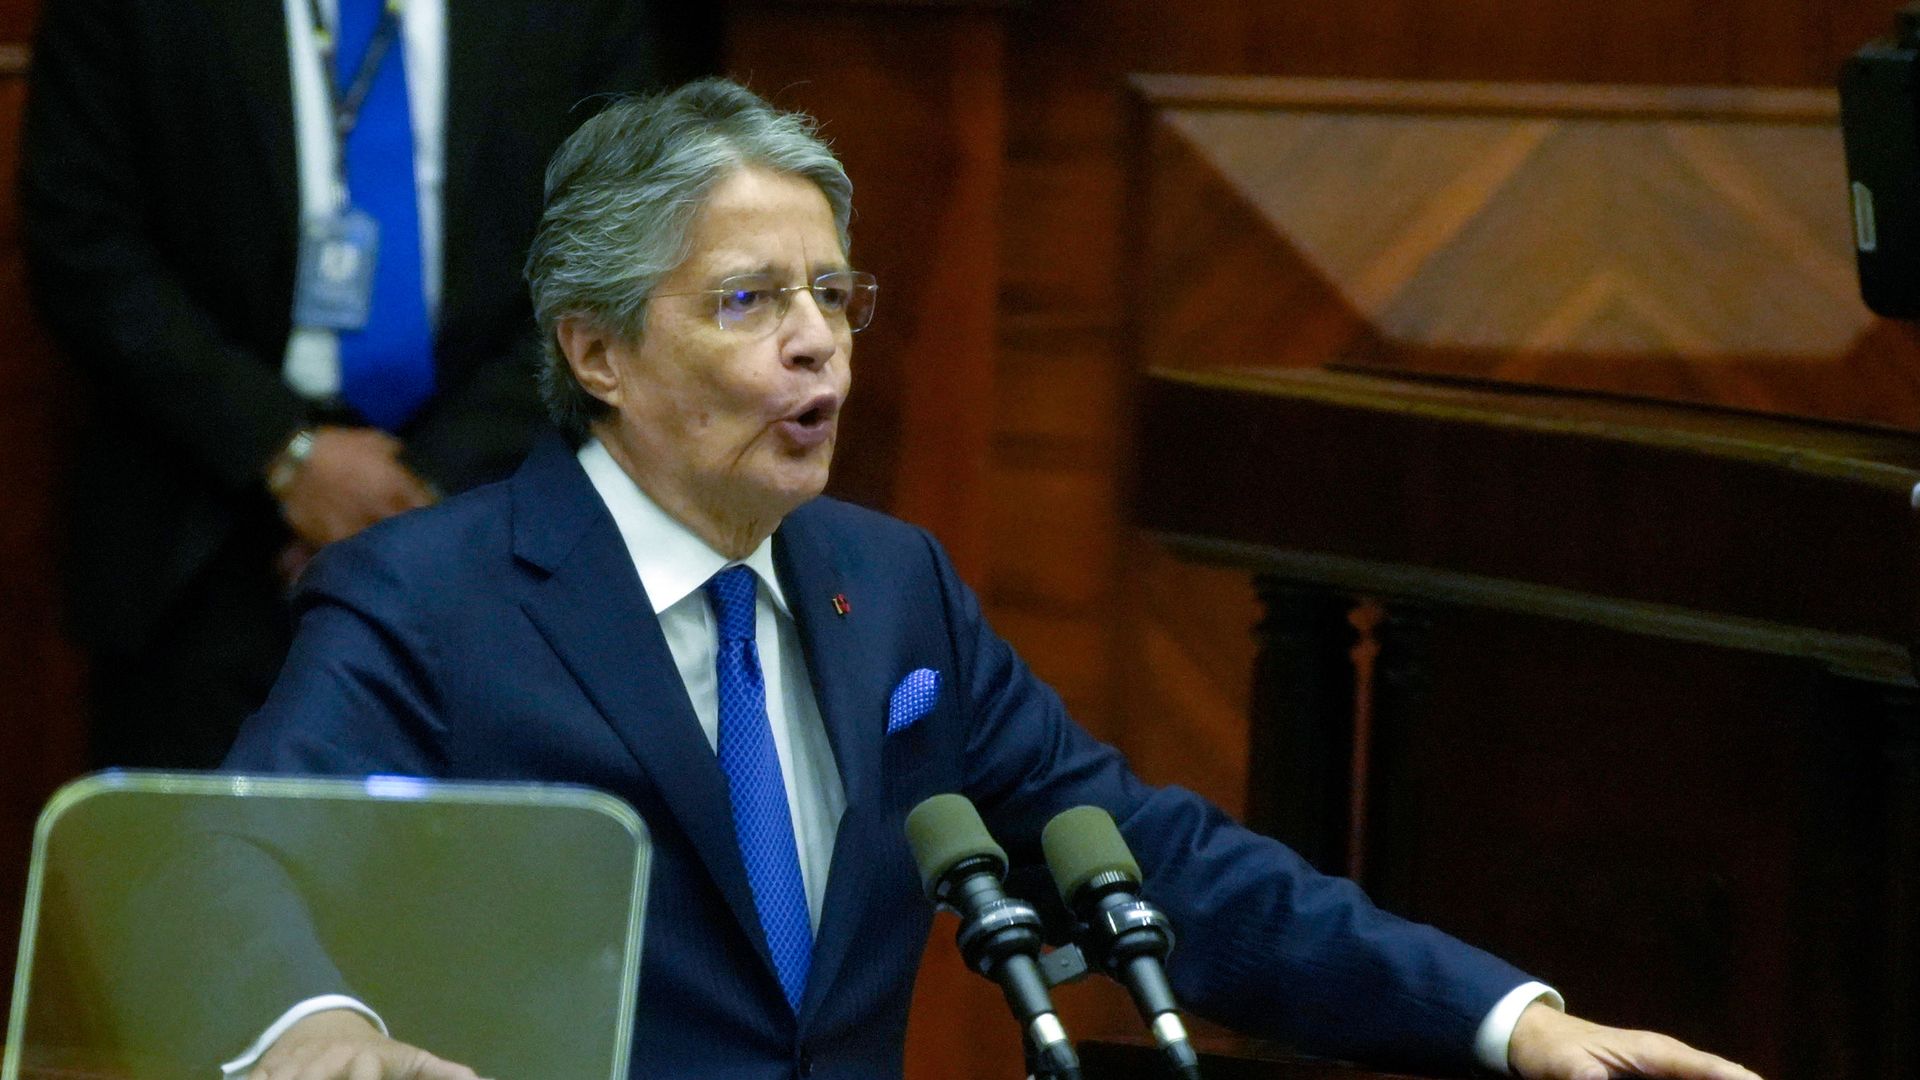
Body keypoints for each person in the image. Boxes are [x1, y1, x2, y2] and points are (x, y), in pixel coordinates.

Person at [222, 79, 1763, 1080]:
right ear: (599, 350)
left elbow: (1144, 852)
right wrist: (323, 1027)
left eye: (835, 292)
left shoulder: (888, 587)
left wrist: (1513, 1024)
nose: (818, 340)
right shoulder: (429, 597)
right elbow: (233, 867)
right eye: (752, 300)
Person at [19, 0, 710, 769]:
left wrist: (422, 483)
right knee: (202, 877)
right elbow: (82, 237)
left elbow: (617, 256)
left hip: (496, 527)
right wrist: (285, 452)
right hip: (201, 535)